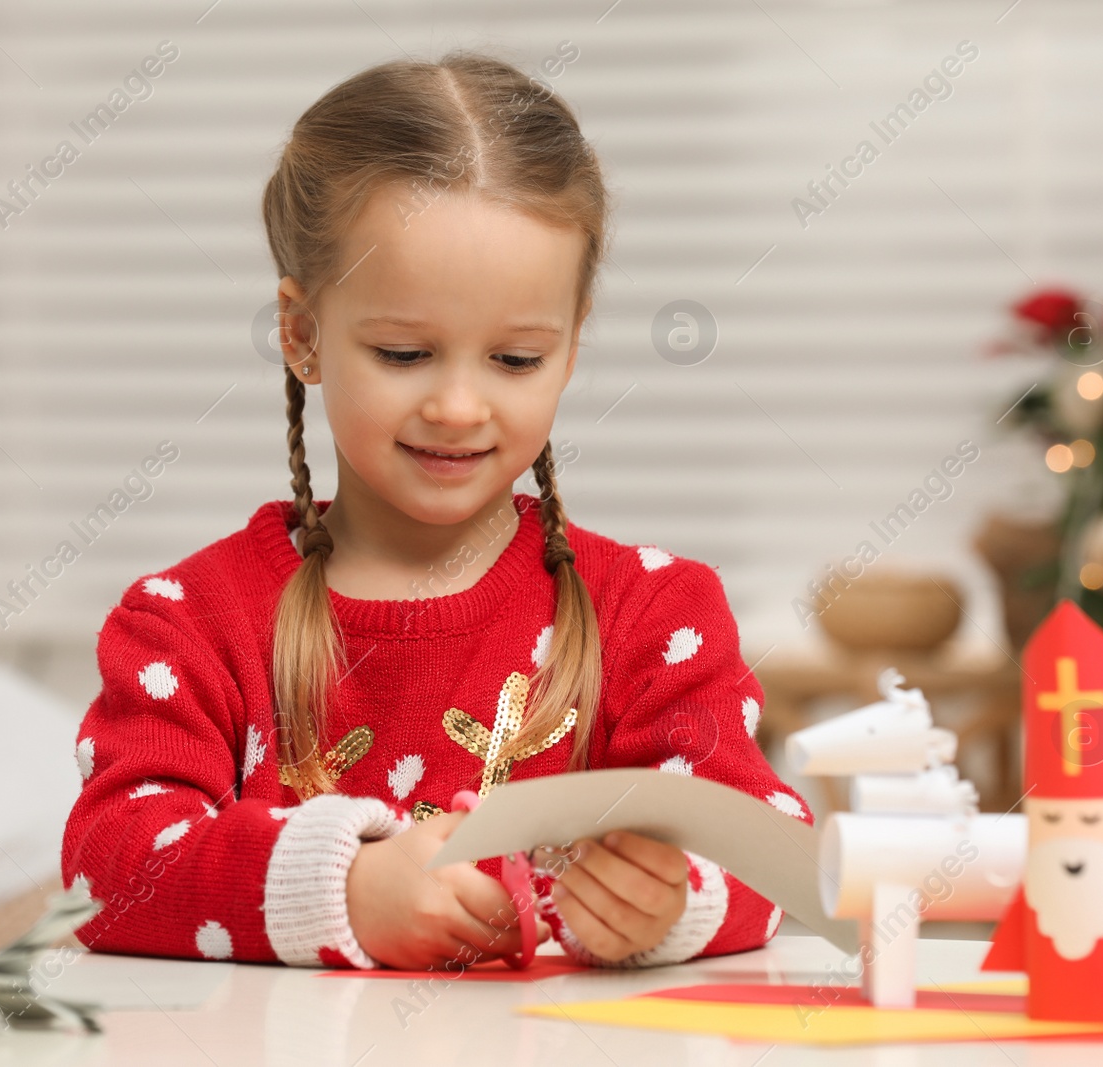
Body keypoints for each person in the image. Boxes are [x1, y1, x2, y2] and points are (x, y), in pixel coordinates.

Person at [60, 50, 810, 972]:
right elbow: (109, 869)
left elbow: (774, 849)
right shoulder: (189, 623)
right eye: (406, 353)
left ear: (572, 348)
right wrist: (338, 892)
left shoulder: (657, 616)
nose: (459, 406)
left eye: (516, 360)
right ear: (303, 335)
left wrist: (672, 901)